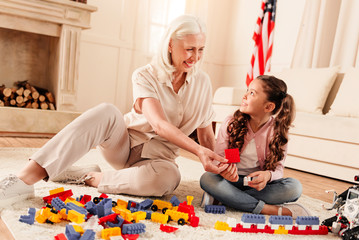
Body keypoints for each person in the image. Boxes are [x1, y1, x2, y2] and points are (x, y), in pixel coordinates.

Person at [0, 14, 228, 208]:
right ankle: (23, 180)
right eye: (189, 49)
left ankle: (87, 176)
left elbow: (206, 134)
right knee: (107, 111)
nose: (195, 57)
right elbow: (158, 124)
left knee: (169, 179)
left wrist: (218, 172)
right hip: (124, 146)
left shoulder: (203, 83)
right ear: (170, 44)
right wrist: (198, 151)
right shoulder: (145, 74)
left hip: (160, 161)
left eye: (200, 50)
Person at [200, 75, 311, 218]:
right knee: (207, 179)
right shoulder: (232, 123)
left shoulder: (278, 131)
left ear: (268, 106)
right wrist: (226, 168)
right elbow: (220, 157)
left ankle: (226, 199)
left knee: (294, 187)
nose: (245, 95)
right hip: (230, 181)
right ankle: (266, 209)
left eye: (252, 93)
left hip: (257, 186)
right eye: (247, 90)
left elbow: (278, 169)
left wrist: (267, 175)